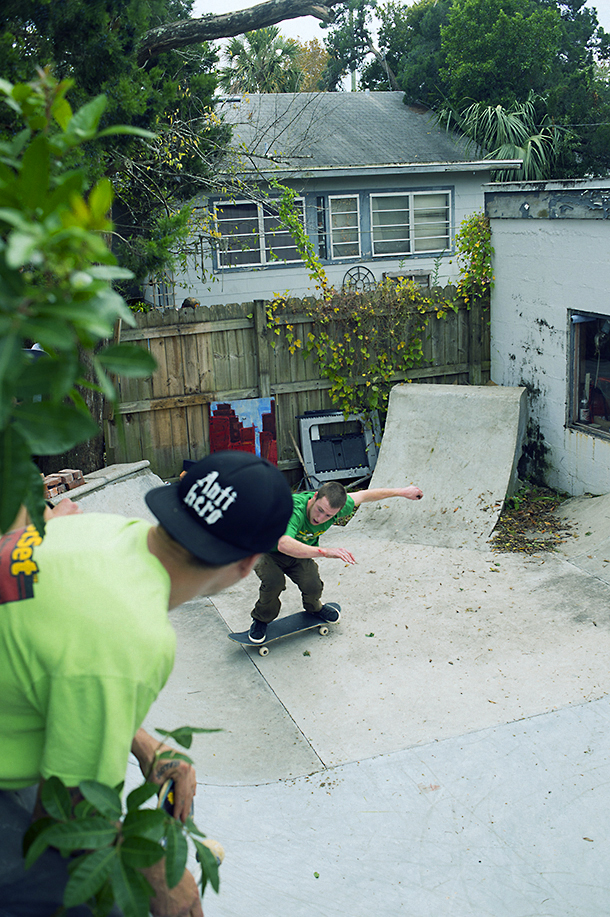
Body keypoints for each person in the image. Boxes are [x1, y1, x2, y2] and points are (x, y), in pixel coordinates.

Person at [0, 451, 293, 917]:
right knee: (113, 898)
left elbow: (56, 657)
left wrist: (140, 742)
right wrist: (164, 881)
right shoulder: (132, 638)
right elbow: (68, 816)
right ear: (247, 565)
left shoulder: (92, 528)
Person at [248, 479, 424, 643]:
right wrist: (324, 552)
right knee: (274, 582)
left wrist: (403, 491)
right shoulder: (293, 508)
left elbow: (365, 495)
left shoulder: (339, 506)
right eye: (320, 510)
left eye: (328, 515)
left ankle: (315, 608)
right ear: (315, 496)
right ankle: (261, 619)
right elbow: (284, 544)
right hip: (265, 550)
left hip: (299, 551)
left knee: (313, 584)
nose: (320, 518)